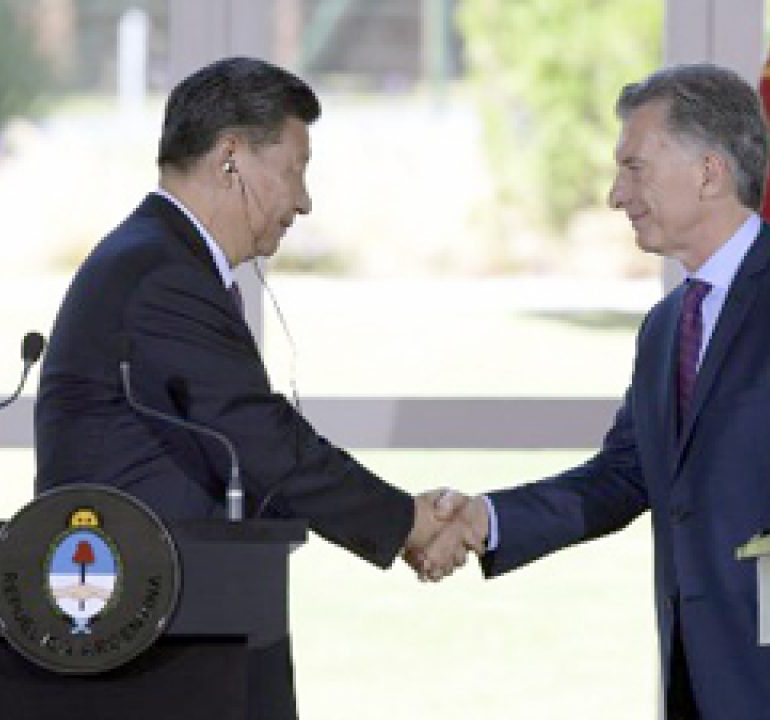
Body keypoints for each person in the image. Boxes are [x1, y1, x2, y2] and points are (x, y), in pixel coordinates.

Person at [417, 64, 770, 719]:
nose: (616, 195)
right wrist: (485, 519)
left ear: (709, 173)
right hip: (693, 682)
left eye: (634, 168)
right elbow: (624, 476)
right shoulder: (667, 324)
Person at [34, 57, 463, 719]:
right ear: (230, 156)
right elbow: (258, 437)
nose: (303, 201)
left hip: (181, 623)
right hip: (155, 643)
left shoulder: (155, 256)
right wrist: (406, 522)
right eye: (295, 169)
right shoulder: (163, 274)